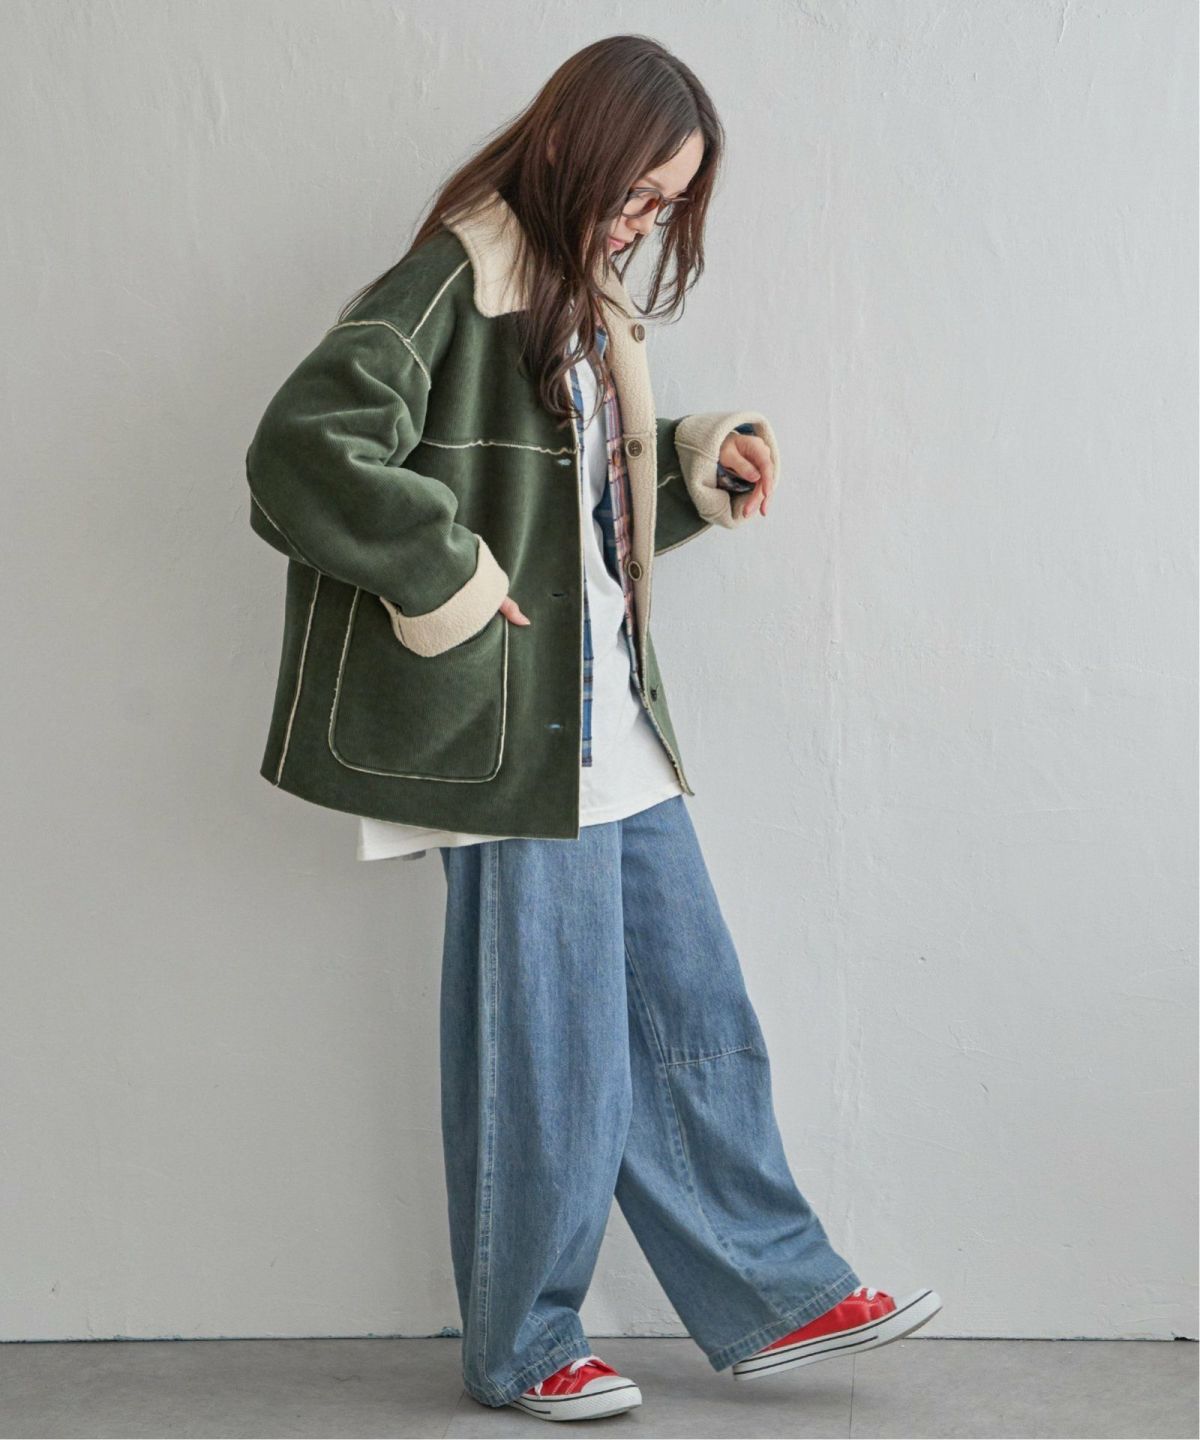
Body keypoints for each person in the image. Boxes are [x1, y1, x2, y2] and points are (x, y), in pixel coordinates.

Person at [245, 33, 941, 1425]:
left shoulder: (579, 297)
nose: (643, 223)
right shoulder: (459, 274)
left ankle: (773, 1288)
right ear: (576, 146)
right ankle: (523, 1343)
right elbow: (301, 446)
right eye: (638, 193)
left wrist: (693, 464)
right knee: (547, 1046)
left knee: (693, 1018)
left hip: (610, 714)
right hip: (512, 734)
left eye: (665, 206)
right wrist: (445, 571)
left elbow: (572, 517)